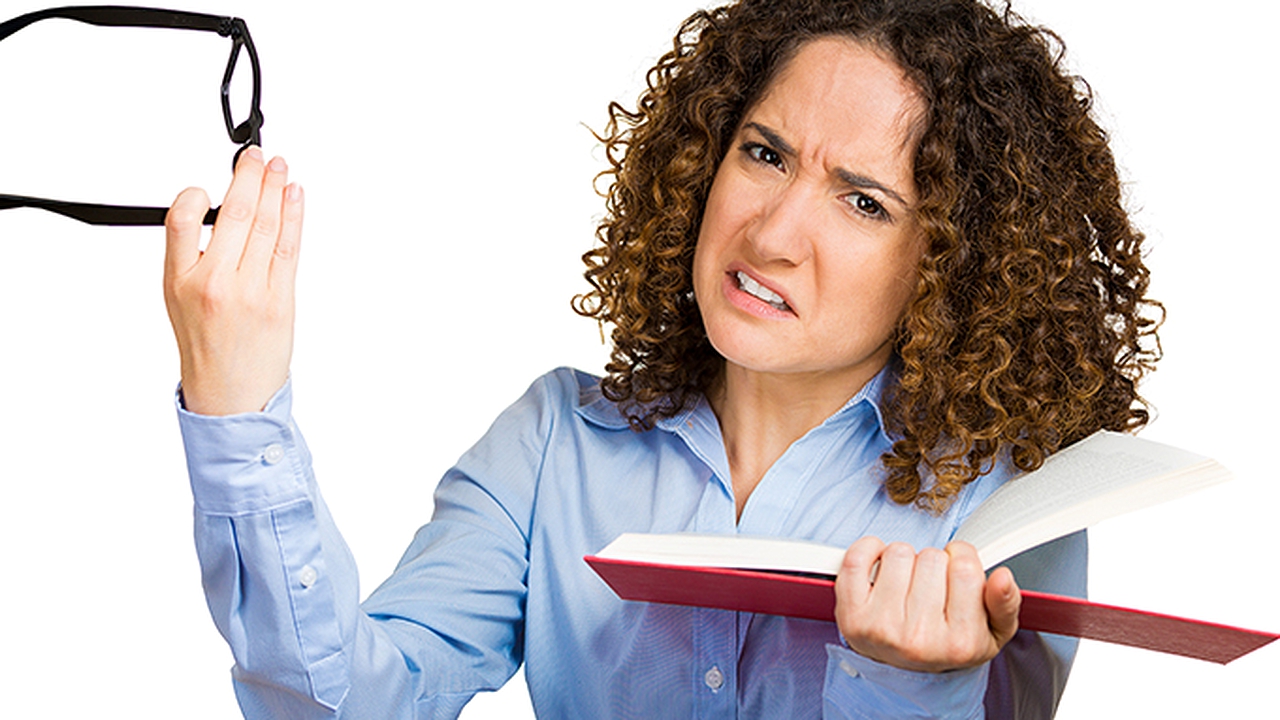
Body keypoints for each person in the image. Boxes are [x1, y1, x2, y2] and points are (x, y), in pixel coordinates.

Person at [162, 0, 1160, 717]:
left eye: (863, 202)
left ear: (951, 262)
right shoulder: (554, 445)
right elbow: (344, 706)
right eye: (763, 153)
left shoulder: (1006, 509)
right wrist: (236, 404)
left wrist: (908, 686)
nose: (771, 234)